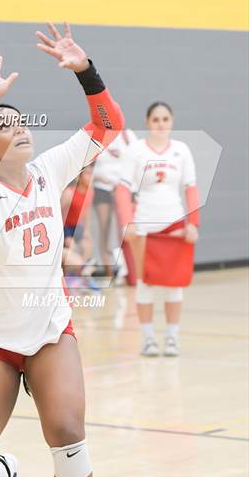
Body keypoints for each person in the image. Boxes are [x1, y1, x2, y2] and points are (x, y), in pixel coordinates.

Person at [0, 22, 124, 477]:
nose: (19, 126)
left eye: (21, 120)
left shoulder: (49, 170)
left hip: (48, 329)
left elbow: (108, 125)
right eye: (4, 126)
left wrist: (85, 71)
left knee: (68, 432)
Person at [116, 102, 200, 357]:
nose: (161, 124)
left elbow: (191, 189)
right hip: (144, 226)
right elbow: (122, 188)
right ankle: (148, 338)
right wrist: (126, 222)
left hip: (174, 225)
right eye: (156, 119)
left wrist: (193, 224)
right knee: (145, 284)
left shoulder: (182, 150)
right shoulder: (136, 150)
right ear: (147, 122)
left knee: (174, 285)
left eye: (165, 119)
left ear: (171, 122)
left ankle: (172, 338)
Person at [93, 128, 137, 279]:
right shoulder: (95, 134)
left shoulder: (127, 135)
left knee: (126, 228)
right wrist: (103, 179)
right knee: (104, 229)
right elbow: (87, 166)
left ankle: (130, 269)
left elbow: (137, 160)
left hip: (124, 189)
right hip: (102, 188)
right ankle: (108, 273)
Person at [61, 165, 97, 285]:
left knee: (88, 244)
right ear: (79, 177)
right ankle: (68, 276)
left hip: (77, 227)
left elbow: (86, 213)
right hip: (64, 227)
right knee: (70, 245)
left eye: (92, 174)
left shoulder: (90, 193)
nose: (91, 178)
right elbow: (59, 214)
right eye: (88, 174)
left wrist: (86, 231)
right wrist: (63, 235)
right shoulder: (69, 193)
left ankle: (81, 275)